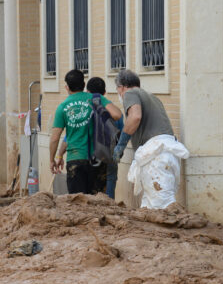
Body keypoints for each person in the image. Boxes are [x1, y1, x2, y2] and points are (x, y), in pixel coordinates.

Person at [113, 69, 189, 209]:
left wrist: (121, 144)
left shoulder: (130, 93)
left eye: (118, 89)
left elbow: (135, 117)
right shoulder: (152, 97)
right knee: (150, 205)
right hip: (166, 152)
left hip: (155, 155)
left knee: (161, 206)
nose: (119, 94)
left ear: (121, 87)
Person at [49, 70, 122, 195]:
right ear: (83, 85)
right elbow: (117, 114)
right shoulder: (96, 99)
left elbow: (55, 138)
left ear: (67, 87)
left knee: (78, 204)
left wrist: (53, 159)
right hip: (97, 159)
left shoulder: (62, 107)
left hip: (75, 159)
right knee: (98, 204)